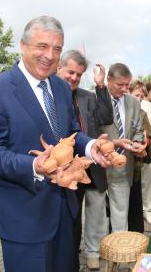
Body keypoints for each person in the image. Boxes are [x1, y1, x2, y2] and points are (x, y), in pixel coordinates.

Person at [0, 16, 110, 272]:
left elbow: (70, 133)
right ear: (22, 45)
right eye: (42, 46)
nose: (50, 55)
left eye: (57, 49)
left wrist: (92, 146)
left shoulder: (60, 87)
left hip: (63, 211)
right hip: (23, 217)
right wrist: (34, 165)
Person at [57, 50, 112, 270]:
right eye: (70, 72)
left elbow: (106, 117)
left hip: (90, 165)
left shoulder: (88, 96)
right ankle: (70, 257)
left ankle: (90, 254)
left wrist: (100, 86)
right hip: (65, 169)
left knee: (94, 213)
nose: (74, 78)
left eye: (78, 75)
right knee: (70, 216)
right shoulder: (50, 96)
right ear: (58, 69)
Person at [99, 63, 146, 232]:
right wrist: (112, 144)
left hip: (123, 166)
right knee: (97, 216)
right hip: (100, 165)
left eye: (127, 85)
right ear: (108, 80)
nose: (125, 89)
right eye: (120, 85)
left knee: (120, 214)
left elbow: (138, 130)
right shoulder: (96, 100)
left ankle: (119, 252)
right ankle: (95, 252)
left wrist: (138, 144)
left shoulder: (133, 103)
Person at [128, 80, 151, 229]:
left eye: (141, 95)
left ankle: (136, 238)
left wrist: (146, 147)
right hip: (119, 165)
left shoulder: (142, 112)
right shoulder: (117, 110)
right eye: (136, 95)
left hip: (136, 165)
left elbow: (150, 136)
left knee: (135, 200)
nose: (139, 99)